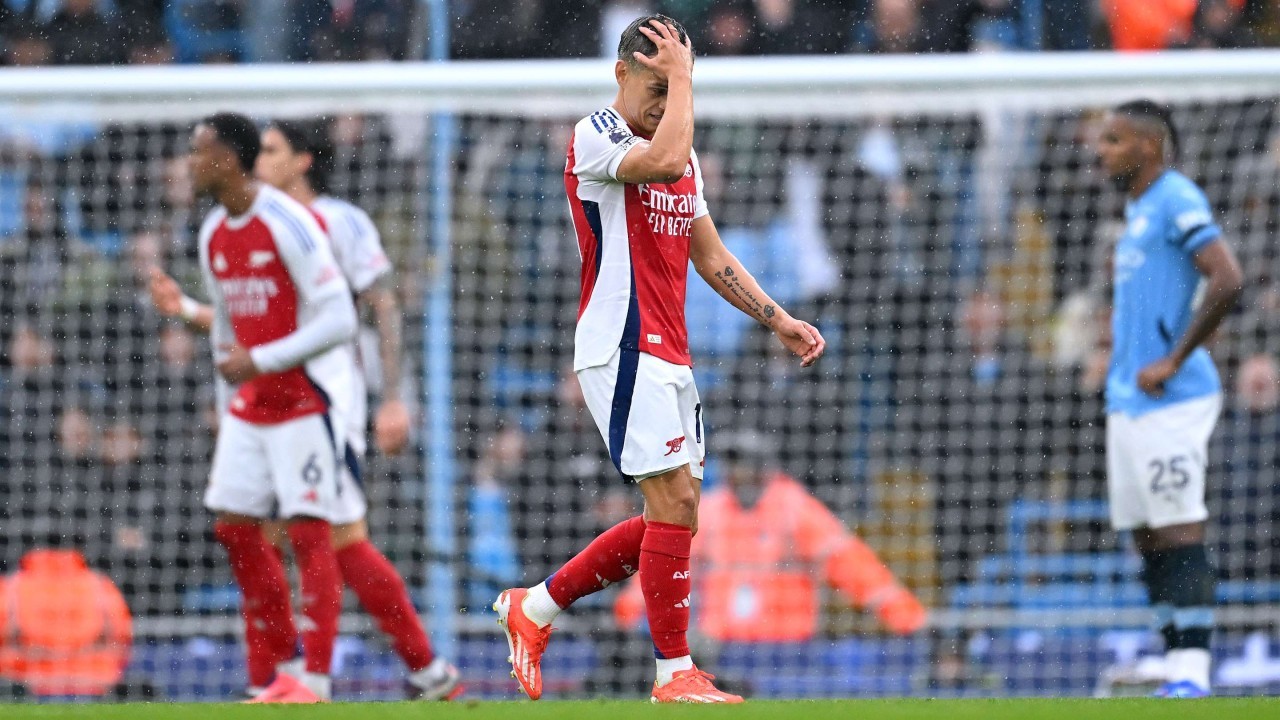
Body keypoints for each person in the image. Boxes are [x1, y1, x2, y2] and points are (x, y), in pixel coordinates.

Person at [494, 15, 825, 704]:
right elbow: (665, 160)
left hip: (671, 352)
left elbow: (710, 254)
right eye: (656, 84)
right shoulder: (596, 135)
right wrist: (686, 81)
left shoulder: (683, 151)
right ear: (622, 73)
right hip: (618, 344)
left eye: (671, 86)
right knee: (672, 501)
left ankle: (537, 607)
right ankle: (674, 673)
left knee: (674, 515)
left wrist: (778, 319)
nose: (664, 100)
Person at [149, 119, 460, 700]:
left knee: (319, 534)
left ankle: (294, 675)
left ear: (301, 160)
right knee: (304, 535)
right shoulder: (227, 226)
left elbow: (378, 304)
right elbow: (242, 321)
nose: (262, 161)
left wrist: (390, 396)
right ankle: (409, 671)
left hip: (326, 396)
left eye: (272, 150)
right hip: (267, 393)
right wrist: (192, 314)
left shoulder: (335, 222)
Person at [184, 112, 358, 703]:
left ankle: (316, 680)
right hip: (249, 408)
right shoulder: (212, 233)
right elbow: (226, 330)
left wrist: (262, 360)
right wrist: (227, 396)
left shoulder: (289, 222)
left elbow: (341, 319)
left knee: (312, 536)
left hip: (304, 404)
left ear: (229, 159)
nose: (190, 163)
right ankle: (284, 661)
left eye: (199, 152)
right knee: (233, 528)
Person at [1095, 100, 1245, 698]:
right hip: (1129, 400)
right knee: (1148, 534)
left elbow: (1228, 275)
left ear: (1147, 147)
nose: (1099, 150)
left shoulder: (1176, 196)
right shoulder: (1136, 210)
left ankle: (1193, 671)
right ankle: (1171, 657)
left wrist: (1174, 359)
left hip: (1173, 397)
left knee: (1180, 528)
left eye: (1113, 140)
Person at [612, 430, 925, 642]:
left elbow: (854, 568)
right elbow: (664, 567)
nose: (736, 470)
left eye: (743, 462)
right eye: (732, 462)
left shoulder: (795, 508)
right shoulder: (709, 510)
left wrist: (908, 620)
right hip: (721, 649)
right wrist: (629, 614)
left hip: (786, 651)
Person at [0, 548, 132, 698]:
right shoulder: (100, 585)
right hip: (95, 683)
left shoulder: (10, 586)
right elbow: (123, 636)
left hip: (26, 685)